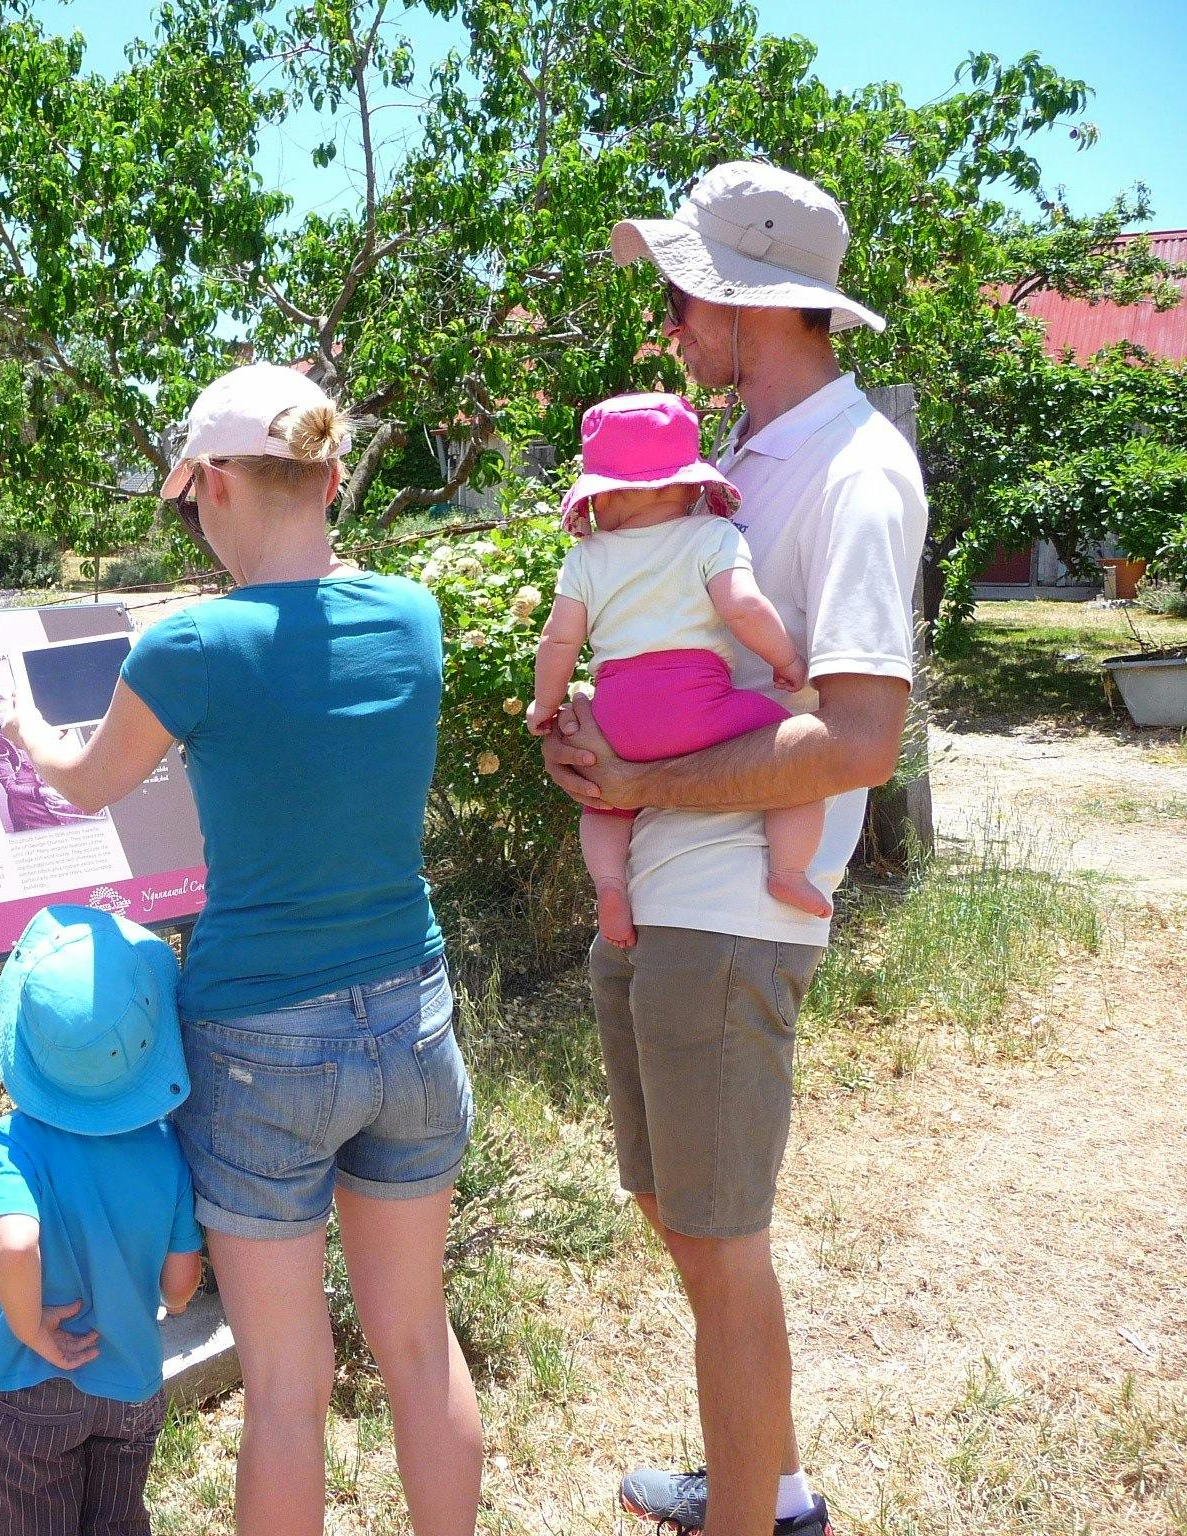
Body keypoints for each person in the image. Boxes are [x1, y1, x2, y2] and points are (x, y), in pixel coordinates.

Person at [0, 362, 481, 1536]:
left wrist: (24, 728)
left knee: (283, 1389)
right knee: (418, 1346)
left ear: (213, 483)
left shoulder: (188, 646)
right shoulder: (411, 612)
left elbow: (83, 780)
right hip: (409, 1010)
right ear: (325, 476)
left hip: (262, 1041)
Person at [542, 162, 928, 1536]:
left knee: (719, 1237)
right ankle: (768, 1482)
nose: (667, 327)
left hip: (732, 913)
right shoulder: (741, 468)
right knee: (676, 1213)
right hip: (665, 892)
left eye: (674, 293)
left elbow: (863, 735)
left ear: (735, 298)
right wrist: (591, 741)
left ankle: (755, 1519)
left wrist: (646, 776)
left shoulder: (859, 471)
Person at [526, 391, 829, 950]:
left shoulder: (587, 557)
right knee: (799, 759)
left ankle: (611, 888)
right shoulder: (711, 536)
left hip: (617, 717)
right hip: (699, 706)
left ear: (605, 496)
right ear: (688, 485)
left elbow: (559, 637)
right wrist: (787, 662)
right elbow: (743, 607)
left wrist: (545, 706)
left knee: (605, 799)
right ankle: (788, 872)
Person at [0, 904, 206, 1536]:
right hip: (129, 1380)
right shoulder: (166, 1152)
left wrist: (30, 1328)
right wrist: (171, 1303)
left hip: (29, 1388)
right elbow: (181, 1286)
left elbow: (17, 1243)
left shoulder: (15, 1142)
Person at [0, 697, 100, 831]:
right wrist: (41, 792)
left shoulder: (28, 734)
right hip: (28, 808)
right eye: (3, 710)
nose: (9, 714)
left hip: (51, 798)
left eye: (11, 709)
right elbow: (10, 787)